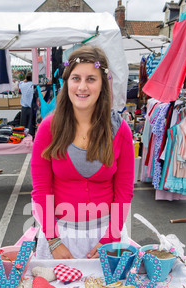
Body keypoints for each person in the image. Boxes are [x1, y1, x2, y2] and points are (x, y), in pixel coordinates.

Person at [31, 46, 134, 260]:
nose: (82, 87)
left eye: (91, 79)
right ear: (67, 82)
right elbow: (41, 189)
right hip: (59, 239)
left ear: (103, 84)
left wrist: (110, 238)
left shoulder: (121, 131)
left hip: (106, 238)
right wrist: (52, 239)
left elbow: (124, 191)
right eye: (76, 78)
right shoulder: (48, 129)